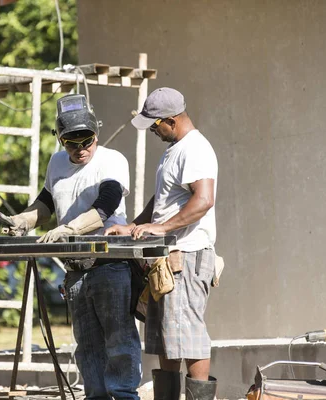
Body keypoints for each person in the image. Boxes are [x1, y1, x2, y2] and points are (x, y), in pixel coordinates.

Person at [5, 94, 142, 400]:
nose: (80, 150)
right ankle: (95, 397)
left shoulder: (111, 160)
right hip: (76, 270)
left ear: (97, 134)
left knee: (119, 342)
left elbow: (107, 204)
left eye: (87, 142)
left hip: (109, 264)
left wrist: (69, 229)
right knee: (89, 345)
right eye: (71, 144)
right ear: (60, 140)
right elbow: (46, 203)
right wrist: (24, 220)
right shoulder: (56, 163)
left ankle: (123, 397)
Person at [105, 87, 218, 400]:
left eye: (155, 126)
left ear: (171, 120)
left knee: (189, 335)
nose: (154, 131)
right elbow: (164, 200)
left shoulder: (195, 148)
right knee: (167, 338)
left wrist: (162, 228)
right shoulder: (176, 149)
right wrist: (136, 226)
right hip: (167, 257)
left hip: (188, 254)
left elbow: (204, 200)